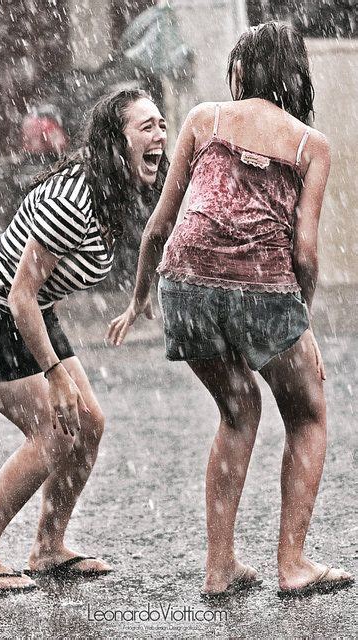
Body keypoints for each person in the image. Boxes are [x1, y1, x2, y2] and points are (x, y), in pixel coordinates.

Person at [108, 23, 354, 598]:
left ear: (241, 71)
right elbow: (306, 252)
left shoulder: (203, 118)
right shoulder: (308, 143)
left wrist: (143, 295)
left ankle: (220, 570)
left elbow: (160, 225)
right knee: (308, 415)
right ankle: (292, 564)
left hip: (184, 286)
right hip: (262, 290)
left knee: (238, 408)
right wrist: (303, 324)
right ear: (296, 76)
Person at [0, 88, 168, 593]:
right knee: (55, 432)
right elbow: (19, 296)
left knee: (88, 423)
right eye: (146, 127)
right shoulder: (73, 201)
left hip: (28, 311)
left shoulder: (111, 193)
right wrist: (54, 375)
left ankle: (49, 547)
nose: (159, 135)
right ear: (115, 142)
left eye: (162, 124)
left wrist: (139, 301)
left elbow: (155, 236)